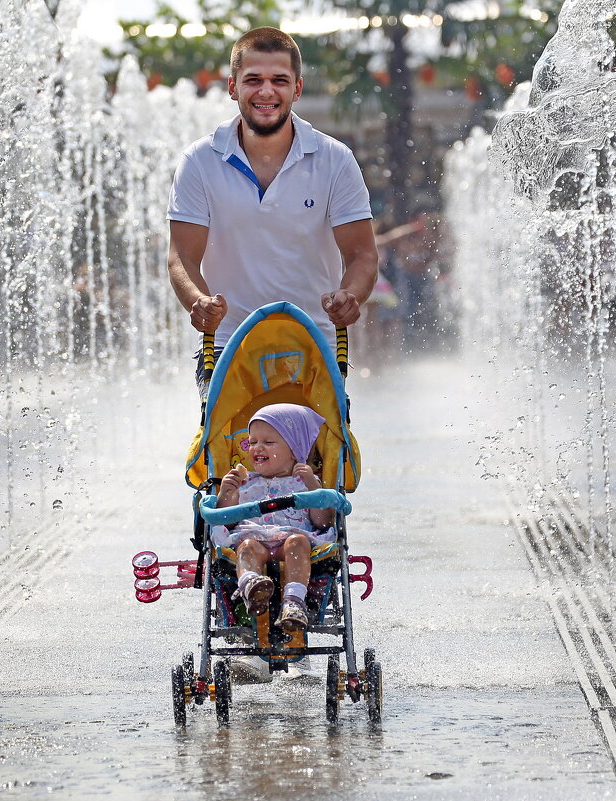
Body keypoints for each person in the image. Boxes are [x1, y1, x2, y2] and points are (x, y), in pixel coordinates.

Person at [166, 25, 379, 392]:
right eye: (253, 80)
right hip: (227, 344)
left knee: (313, 452)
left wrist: (351, 295)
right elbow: (181, 257)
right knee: (233, 451)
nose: (266, 91)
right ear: (233, 87)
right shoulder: (199, 160)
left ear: (297, 88)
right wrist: (198, 302)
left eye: (279, 80)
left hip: (315, 344)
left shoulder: (335, 160)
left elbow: (362, 254)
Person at [214, 404, 333, 631]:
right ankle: (251, 585)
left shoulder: (305, 484)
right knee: (246, 546)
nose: (258, 448)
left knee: (298, 543)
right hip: (255, 539)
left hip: (291, 539)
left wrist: (311, 486)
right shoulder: (246, 482)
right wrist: (227, 493)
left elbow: (323, 522)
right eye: (253, 442)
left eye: (268, 443)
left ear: (294, 449)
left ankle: (293, 602)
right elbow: (226, 521)